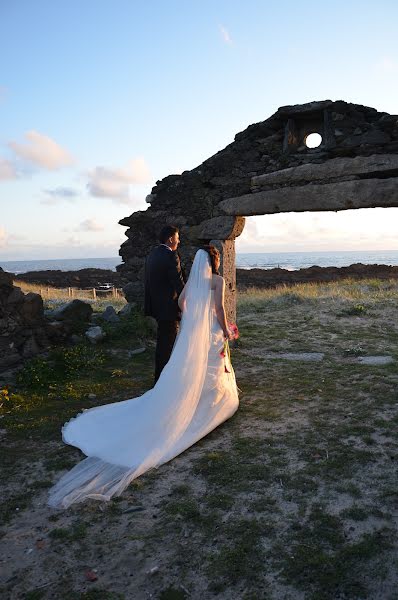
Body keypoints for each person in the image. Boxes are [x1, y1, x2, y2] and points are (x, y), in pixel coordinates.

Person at [48, 247, 239, 509]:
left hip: (195, 333)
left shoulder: (193, 284)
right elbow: (218, 308)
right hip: (214, 331)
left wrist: (194, 320)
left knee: (191, 367)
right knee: (213, 366)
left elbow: (182, 302)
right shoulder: (218, 281)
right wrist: (226, 330)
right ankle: (208, 402)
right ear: (216, 261)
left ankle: (192, 398)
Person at [144, 225, 185, 382]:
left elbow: (148, 283)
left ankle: (159, 377)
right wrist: (185, 305)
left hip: (156, 307)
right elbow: (178, 284)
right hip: (169, 309)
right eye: (177, 237)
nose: (179, 241)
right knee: (168, 345)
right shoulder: (171, 256)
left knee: (162, 344)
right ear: (170, 239)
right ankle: (165, 381)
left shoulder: (152, 255)